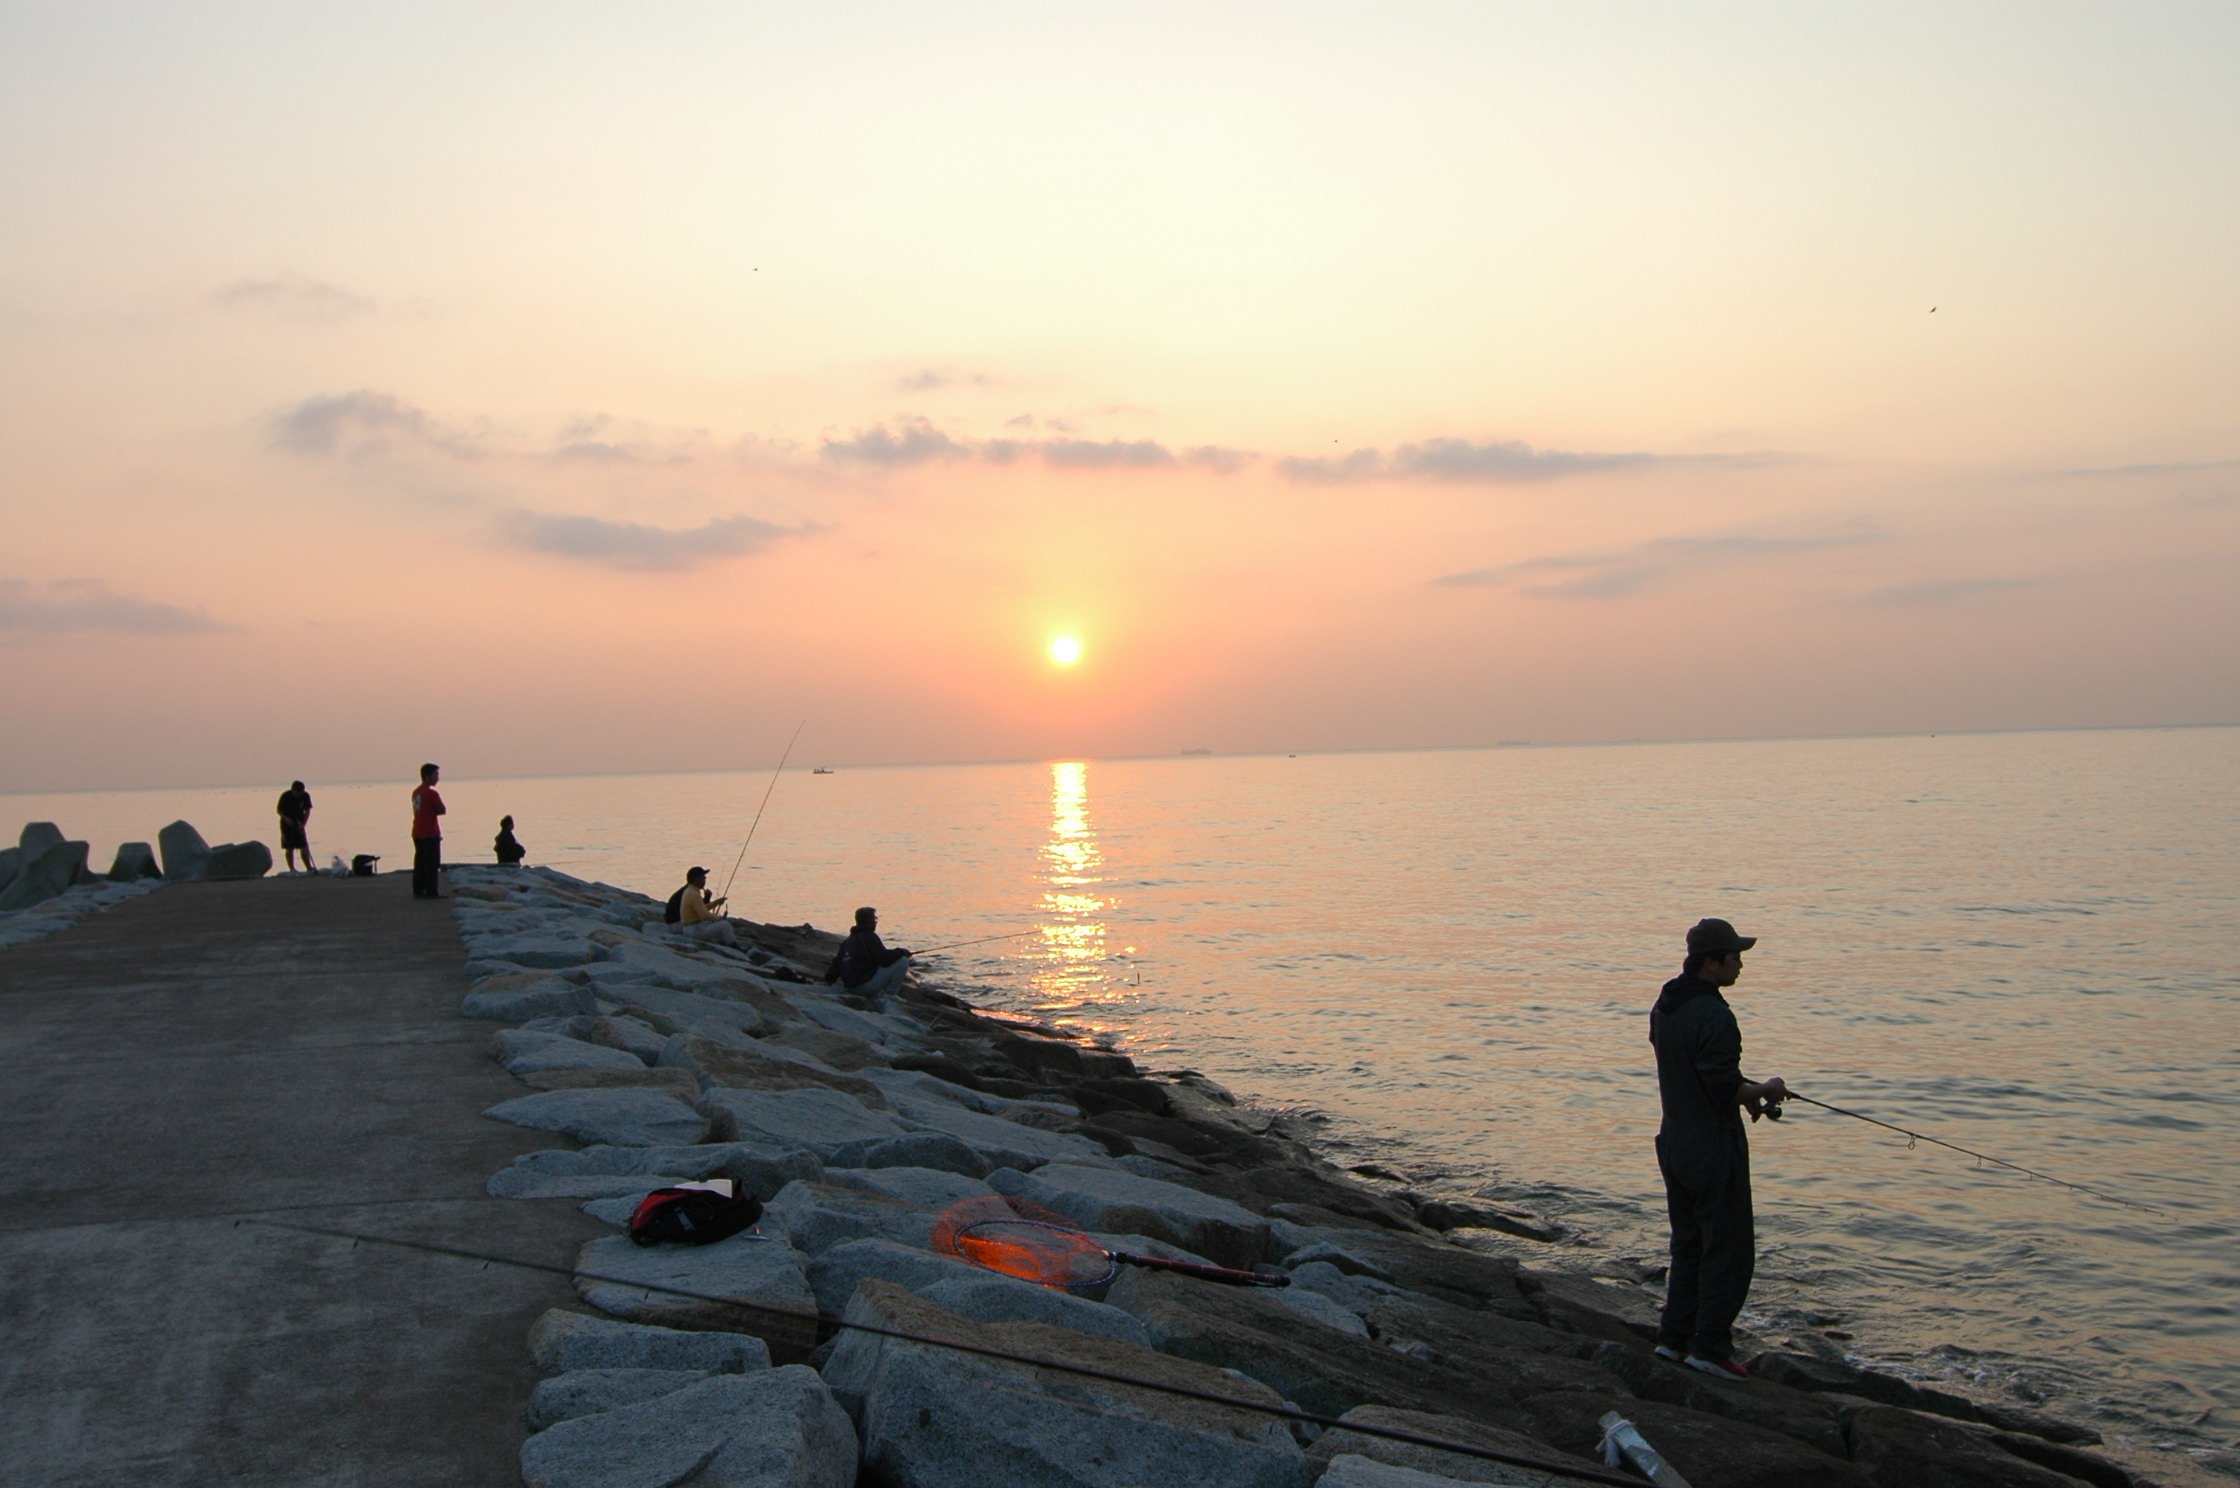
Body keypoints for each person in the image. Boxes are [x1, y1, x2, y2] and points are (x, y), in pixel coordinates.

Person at [1649, 917, 1789, 1380]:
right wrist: (1767, 1087)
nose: (1740, 964)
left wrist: (1745, 1093)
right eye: (1735, 956)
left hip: (1674, 1139)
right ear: (1711, 962)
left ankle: (1674, 1338)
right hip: (1711, 1144)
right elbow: (1723, 1088)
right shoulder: (1716, 1015)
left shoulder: (1667, 1003)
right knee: (1728, 1248)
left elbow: (1700, 1076)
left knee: (1688, 1243)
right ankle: (1709, 1347)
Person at [822, 906, 912, 997]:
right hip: (864, 987)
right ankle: (889, 996)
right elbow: (884, 959)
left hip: (851, 987)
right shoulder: (869, 936)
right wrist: (901, 952)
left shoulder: (848, 941)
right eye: (875, 919)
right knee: (902, 961)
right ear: (869, 921)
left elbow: (836, 964)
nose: (875, 922)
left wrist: (828, 981)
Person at [410, 763, 446, 899]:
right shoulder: (431, 793)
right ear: (427, 776)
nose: (437, 778)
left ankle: (418, 890)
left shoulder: (416, 792)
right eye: (435, 775)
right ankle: (432, 891)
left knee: (420, 863)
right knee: (432, 863)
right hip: (430, 832)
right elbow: (442, 809)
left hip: (417, 831)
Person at [276, 780, 314, 875]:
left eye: (301, 792)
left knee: (304, 846)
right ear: (293, 790)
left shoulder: (305, 796)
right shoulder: (286, 796)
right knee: (289, 847)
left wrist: (304, 823)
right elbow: (279, 810)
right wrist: (286, 818)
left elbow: (308, 810)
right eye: (297, 792)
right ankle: (292, 869)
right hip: (287, 824)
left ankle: (309, 868)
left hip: (299, 823)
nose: (299, 794)